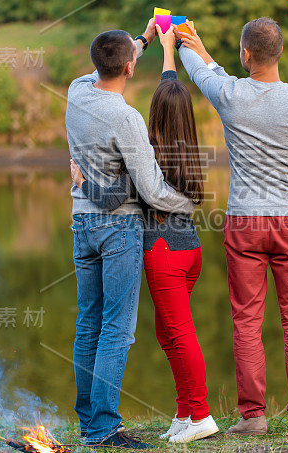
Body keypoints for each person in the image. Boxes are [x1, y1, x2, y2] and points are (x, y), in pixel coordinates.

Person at [175, 11, 288, 435]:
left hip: (244, 222)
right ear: (280, 53)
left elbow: (198, 66)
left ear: (246, 54)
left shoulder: (229, 93)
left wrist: (177, 34)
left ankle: (254, 418)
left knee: (247, 320)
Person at [69, 24, 219, 444]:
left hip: (81, 223)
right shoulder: (127, 118)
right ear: (131, 68)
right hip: (119, 228)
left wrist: (145, 38)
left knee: (87, 326)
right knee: (117, 329)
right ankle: (102, 428)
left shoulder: (75, 91)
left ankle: (90, 424)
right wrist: (189, 204)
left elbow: (105, 62)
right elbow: (151, 190)